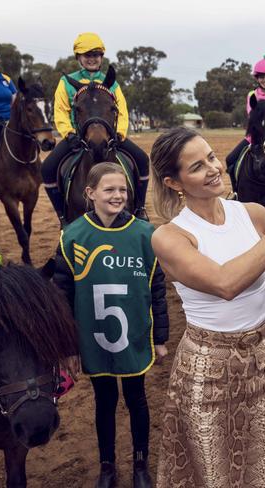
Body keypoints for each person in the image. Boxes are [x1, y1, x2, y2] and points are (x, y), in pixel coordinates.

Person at [149, 127, 265, 487]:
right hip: (207, 368)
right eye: (197, 167)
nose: (214, 168)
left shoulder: (253, 214)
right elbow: (226, 284)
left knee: (264, 465)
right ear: (174, 182)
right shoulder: (169, 236)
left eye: (212, 157)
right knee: (213, 473)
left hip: (262, 357)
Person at [53, 162, 169, 488]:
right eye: (109, 190)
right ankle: (107, 467)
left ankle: (141, 465)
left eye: (122, 189)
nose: (118, 195)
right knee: (104, 402)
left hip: (133, 334)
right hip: (93, 337)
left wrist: (160, 337)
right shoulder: (73, 235)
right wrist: (67, 347)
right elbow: (62, 295)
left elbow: (157, 290)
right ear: (89, 194)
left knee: (137, 399)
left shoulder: (146, 234)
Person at [42, 33, 150, 224]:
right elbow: (61, 110)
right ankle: (63, 217)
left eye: (96, 54)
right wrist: (69, 134)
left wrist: (119, 133)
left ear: (101, 57)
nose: (92, 58)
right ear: (78, 58)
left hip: (110, 137)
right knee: (48, 167)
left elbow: (121, 110)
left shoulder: (111, 82)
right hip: (77, 139)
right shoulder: (66, 82)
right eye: (87, 55)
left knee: (142, 159)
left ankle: (140, 208)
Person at [226, 54, 265, 190]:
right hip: (255, 137)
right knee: (230, 159)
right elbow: (252, 117)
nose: (264, 79)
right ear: (257, 78)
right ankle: (236, 191)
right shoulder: (252, 95)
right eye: (261, 76)